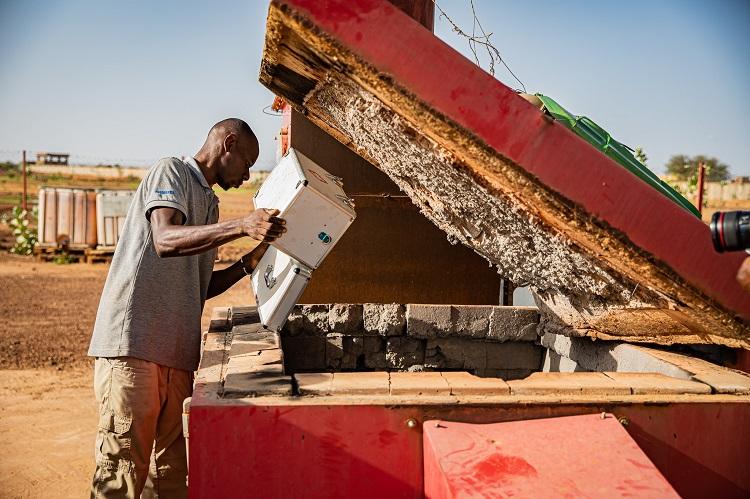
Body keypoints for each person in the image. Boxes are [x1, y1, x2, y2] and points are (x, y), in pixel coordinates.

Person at [87, 118, 285, 498]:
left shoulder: (209, 203)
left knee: (169, 476)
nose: (247, 176)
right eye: (246, 163)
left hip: (176, 357)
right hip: (134, 348)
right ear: (228, 144)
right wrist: (242, 226)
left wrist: (248, 263)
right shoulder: (172, 172)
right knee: (122, 472)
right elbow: (164, 239)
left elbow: (197, 286)